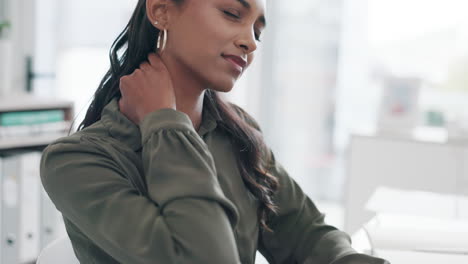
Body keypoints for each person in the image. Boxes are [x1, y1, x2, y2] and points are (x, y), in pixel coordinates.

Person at [40, 0, 390, 263]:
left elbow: (307, 235)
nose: (251, 43)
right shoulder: (77, 160)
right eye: (232, 14)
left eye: (258, 30)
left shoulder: (238, 134)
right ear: (162, 11)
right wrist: (165, 122)